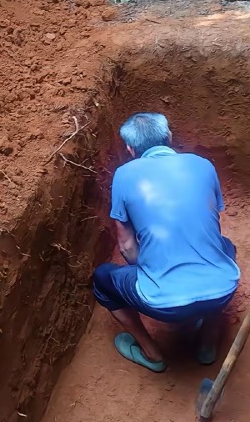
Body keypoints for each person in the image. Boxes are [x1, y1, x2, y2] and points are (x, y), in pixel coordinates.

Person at [92, 113, 240, 373]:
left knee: (103, 279)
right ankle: (207, 344)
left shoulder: (124, 175)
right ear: (169, 138)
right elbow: (212, 222)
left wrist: (151, 269)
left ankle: (152, 354)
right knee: (226, 247)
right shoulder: (202, 164)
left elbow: (126, 246)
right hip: (221, 291)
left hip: (162, 304)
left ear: (130, 149)